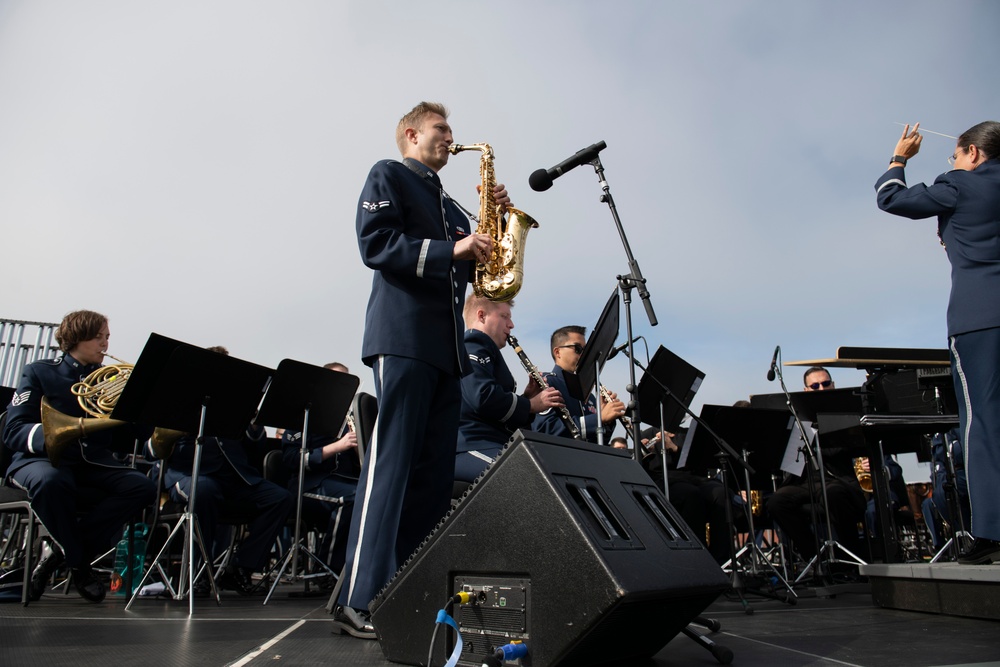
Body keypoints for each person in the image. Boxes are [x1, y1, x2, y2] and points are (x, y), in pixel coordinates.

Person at [334, 101, 510, 638]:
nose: (450, 138)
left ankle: (407, 594)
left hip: (447, 353)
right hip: (404, 339)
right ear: (411, 134)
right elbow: (376, 243)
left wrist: (495, 217)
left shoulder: (454, 206)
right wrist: (451, 247)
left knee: (431, 482)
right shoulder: (388, 173)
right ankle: (358, 598)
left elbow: (487, 266)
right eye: (441, 129)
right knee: (390, 467)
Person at [876, 121, 1000, 564]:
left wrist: (899, 159)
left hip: (981, 318)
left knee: (983, 424)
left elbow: (891, 198)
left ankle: (990, 532)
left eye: (955, 156)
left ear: (972, 153)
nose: (954, 162)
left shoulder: (960, 184)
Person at [2, 310, 157, 602]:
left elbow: (139, 434)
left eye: (107, 337)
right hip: (42, 461)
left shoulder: (111, 380)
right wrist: (52, 436)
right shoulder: (40, 371)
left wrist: (141, 401)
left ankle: (61, 554)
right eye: (98, 337)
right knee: (52, 481)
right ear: (76, 337)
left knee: (141, 486)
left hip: (91, 462)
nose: (105, 345)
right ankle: (80, 566)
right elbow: (14, 430)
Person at [160, 346, 293, 595]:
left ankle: (240, 568)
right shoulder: (180, 396)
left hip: (235, 478)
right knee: (206, 490)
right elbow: (154, 447)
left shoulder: (233, 402)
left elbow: (255, 450)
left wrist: (255, 423)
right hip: (189, 474)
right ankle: (198, 573)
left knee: (280, 498)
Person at [454, 295, 564, 485]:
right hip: (471, 445)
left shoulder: (483, 347)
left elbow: (491, 409)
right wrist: (530, 405)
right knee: (531, 482)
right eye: (504, 316)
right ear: (482, 316)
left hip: (489, 444)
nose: (511, 324)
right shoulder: (474, 342)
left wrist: (528, 397)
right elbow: (481, 396)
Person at [765, 367, 867, 567]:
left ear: (833, 385)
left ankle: (852, 559)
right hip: (805, 481)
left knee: (834, 494)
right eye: (815, 386)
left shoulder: (846, 413)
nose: (821, 388)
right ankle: (814, 558)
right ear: (806, 391)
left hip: (835, 479)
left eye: (826, 384)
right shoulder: (798, 416)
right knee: (776, 502)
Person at [280, 362, 359, 573]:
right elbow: (290, 459)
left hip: (343, 482)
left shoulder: (351, 418)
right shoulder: (305, 415)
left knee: (378, 494)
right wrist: (337, 446)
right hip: (309, 486)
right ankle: (326, 569)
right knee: (352, 498)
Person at [531, 325, 625, 443]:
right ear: (558, 352)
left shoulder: (589, 396)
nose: (584, 355)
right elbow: (546, 429)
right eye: (578, 349)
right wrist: (598, 419)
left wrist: (607, 421)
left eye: (585, 351)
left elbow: (599, 444)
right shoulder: (547, 382)